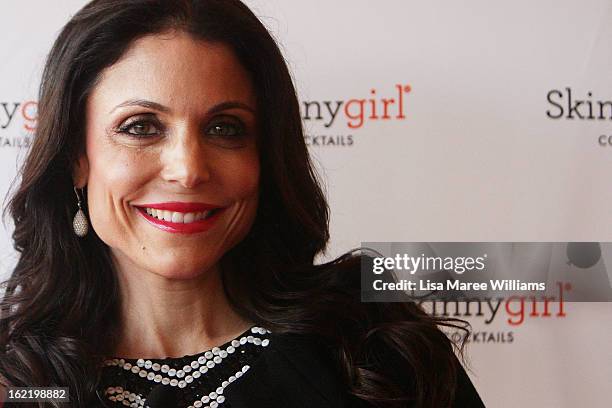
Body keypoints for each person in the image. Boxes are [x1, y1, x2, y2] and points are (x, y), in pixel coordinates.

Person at [0, 1, 484, 407]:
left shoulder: (372, 349)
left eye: (224, 128)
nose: (188, 168)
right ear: (76, 158)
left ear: (264, 156)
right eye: (141, 126)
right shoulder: (22, 381)